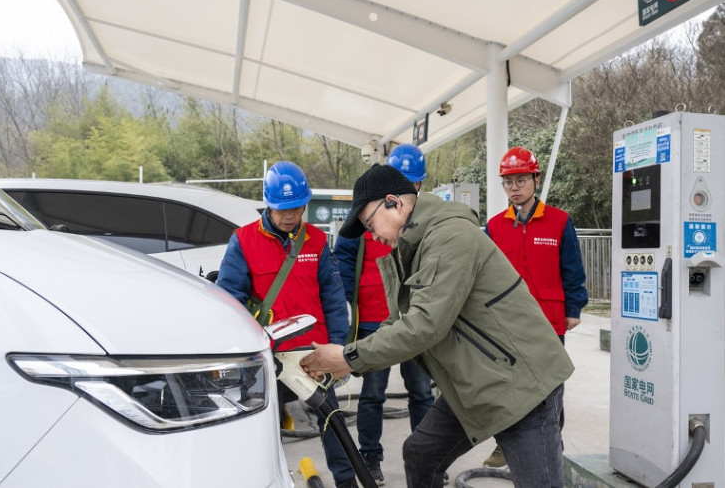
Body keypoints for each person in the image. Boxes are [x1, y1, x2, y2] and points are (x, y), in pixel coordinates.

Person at [300, 164, 575, 488]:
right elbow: (397, 322)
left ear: (394, 203)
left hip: (521, 383)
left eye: (369, 222)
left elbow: (426, 324)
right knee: (420, 455)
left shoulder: (450, 235)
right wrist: (347, 361)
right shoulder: (407, 251)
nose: (371, 235)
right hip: (474, 382)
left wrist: (347, 358)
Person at [216, 161, 359, 488]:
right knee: (263, 427)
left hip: (314, 353)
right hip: (269, 355)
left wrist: (338, 350)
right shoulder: (244, 241)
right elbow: (229, 300)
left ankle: (347, 480)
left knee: (332, 423)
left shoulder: (317, 242)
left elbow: (334, 299)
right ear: (267, 204)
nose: (290, 215)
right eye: (283, 209)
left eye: (297, 207)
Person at [333, 144, 433, 485]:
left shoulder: (426, 219)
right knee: (373, 395)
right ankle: (370, 457)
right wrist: (350, 303)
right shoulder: (368, 214)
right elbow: (344, 259)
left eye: (413, 184)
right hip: (373, 319)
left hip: (413, 322)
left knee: (421, 392)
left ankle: (427, 460)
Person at [482, 146, 588, 468]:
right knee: (508, 388)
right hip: (507, 325)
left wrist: (574, 308)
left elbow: (573, 269)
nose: (514, 187)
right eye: (508, 182)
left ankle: (552, 445)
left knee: (551, 391)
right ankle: (505, 444)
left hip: (548, 323)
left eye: (521, 180)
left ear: (535, 180)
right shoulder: (495, 226)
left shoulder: (559, 221)